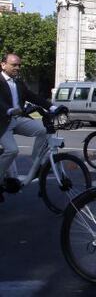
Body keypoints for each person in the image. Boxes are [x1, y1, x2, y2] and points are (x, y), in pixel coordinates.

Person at [0, 53, 57, 202]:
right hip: (2, 121)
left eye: (19, 65)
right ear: (3, 64)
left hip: (17, 119)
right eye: (14, 65)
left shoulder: (18, 82)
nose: (17, 68)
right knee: (12, 150)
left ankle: (35, 162)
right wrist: (8, 110)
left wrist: (52, 107)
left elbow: (32, 96)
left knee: (43, 130)